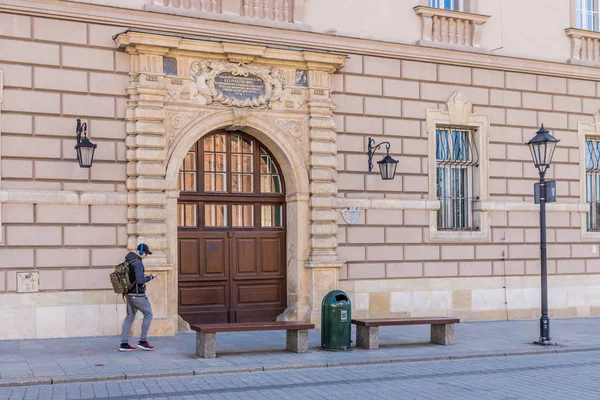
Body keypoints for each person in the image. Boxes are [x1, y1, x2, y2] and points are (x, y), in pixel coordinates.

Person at [119, 243, 158, 352]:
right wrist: (151, 276)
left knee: (130, 316)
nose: (146, 255)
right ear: (141, 252)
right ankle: (143, 341)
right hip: (137, 294)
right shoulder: (138, 263)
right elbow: (140, 280)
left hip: (129, 294)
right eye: (146, 253)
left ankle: (124, 344)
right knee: (148, 314)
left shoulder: (128, 260)